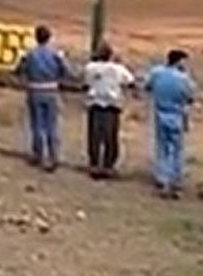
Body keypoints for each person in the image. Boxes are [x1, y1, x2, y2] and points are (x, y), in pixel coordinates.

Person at [15, 25, 69, 172]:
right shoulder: (55, 54)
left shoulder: (30, 54)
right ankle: (53, 156)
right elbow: (66, 71)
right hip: (51, 89)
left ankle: (39, 154)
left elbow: (19, 70)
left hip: (34, 89)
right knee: (51, 125)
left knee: (37, 124)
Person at [145, 49, 195, 198]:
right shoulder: (183, 79)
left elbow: (148, 87)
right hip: (176, 114)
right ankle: (174, 179)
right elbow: (190, 97)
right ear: (179, 61)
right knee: (176, 148)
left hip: (159, 112)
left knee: (162, 146)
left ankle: (162, 176)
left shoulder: (156, 73)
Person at [83, 41, 135, 179]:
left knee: (94, 136)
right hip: (112, 105)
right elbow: (130, 81)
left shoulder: (90, 67)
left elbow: (86, 83)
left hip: (95, 103)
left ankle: (94, 164)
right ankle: (108, 165)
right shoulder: (118, 69)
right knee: (110, 137)